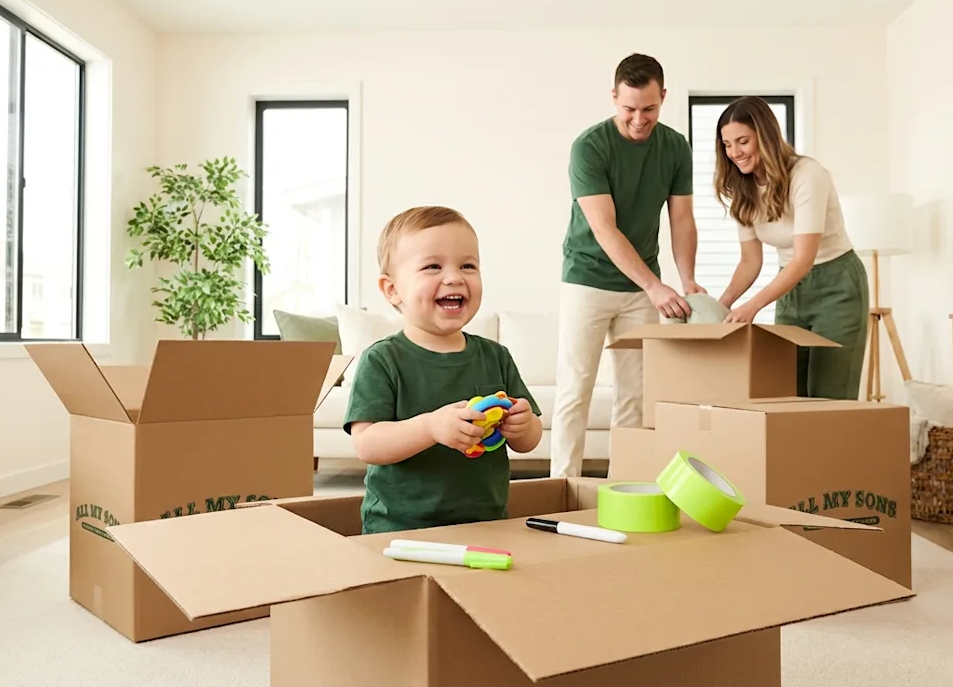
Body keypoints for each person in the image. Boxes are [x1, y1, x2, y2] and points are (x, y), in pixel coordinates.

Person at [342, 205, 544, 534]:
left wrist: (524, 425)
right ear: (392, 289)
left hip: (486, 524)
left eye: (468, 265)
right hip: (400, 529)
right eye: (433, 266)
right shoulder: (382, 360)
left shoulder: (495, 356)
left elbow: (529, 441)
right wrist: (431, 428)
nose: (454, 277)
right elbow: (367, 444)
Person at [550, 52, 702, 479]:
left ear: (663, 97)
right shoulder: (589, 147)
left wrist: (687, 280)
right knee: (576, 389)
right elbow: (604, 228)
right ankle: (562, 486)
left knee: (635, 394)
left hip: (639, 289)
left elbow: (682, 219)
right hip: (587, 281)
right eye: (629, 108)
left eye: (649, 109)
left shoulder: (675, 147)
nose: (639, 119)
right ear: (614, 97)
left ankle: (626, 487)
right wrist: (656, 286)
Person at [713, 96, 868, 400]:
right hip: (790, 290)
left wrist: (752, 306)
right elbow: (750, 262)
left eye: (743, 141)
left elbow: (803, 258)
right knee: (788, 393)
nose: (735, 153)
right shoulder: (743, 189)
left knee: (829, 395)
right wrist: (722, 306)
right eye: (727, 145)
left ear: (766, 136)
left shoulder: (807, 175)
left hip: (837, 286)